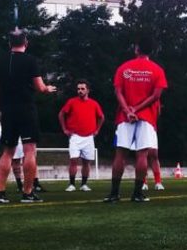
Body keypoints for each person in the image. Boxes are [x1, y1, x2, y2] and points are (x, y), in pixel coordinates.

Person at [0, 30, 56, 204]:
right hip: (26, 108)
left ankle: (0, 193)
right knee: (29, 151)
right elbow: (40, 87)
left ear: (9, 43)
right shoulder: (31, 60)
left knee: (7, 152)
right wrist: (48, 89)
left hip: (7, 110)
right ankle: (27, 193)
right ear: (26, 42)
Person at [103, 36, 168, 203]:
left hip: (124, 117)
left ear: (136, 48)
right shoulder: (157, 70)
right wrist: (137, 110)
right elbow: (156, 96)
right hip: (146, 117)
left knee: (120, 154)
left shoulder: (124, 68)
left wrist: (128, 110)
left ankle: (114, 193)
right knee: (142, 155)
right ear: (151, 51)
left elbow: (118, 92)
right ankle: (137, 194)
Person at [58, 79, 105, 192]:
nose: (80, 91)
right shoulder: (72, 102)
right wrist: (64, 129)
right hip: (75, 136)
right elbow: (61, 114)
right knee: (73, 160)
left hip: (89, 137)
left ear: (88, 90)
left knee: (86, 162)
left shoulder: (94, 103)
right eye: (78, 89)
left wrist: (97, 130)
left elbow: (101, 117)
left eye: (82, 89)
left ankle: (84, 184)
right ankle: (72, 184)